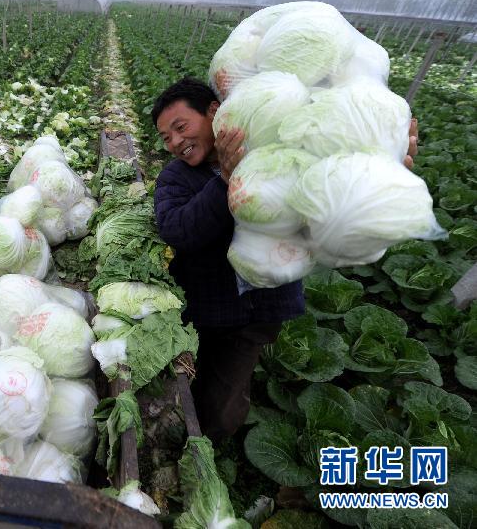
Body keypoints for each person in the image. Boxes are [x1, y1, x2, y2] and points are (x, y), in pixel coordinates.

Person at [151, 77, 418, 443]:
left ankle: (205, 449)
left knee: (225, 392)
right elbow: (178, 231)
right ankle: (182, 424)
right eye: (166, 138)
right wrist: (226, 181)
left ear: (214, 112)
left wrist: (380, 176)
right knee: (192, 367)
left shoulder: (281, 154)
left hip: (264, 307)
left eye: (181, 128)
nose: (176, 142)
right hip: (204, 306)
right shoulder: (176, 177)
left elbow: (322, 221)